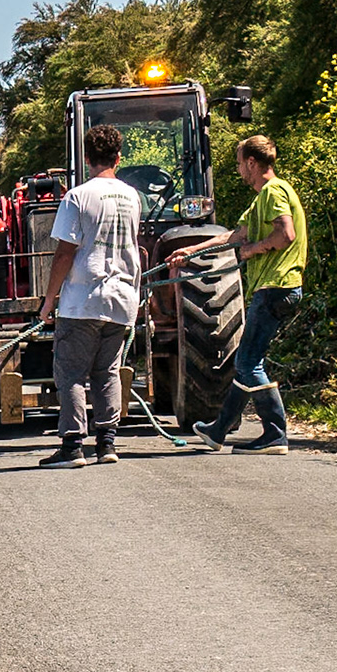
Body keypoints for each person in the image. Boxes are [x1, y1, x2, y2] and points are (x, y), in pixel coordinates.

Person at [165, 134, 306, 454]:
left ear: (253, 163)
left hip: (277, 285)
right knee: (246, 362)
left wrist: (252, 251)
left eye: (241, 162)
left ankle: (274, 433)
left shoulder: (273, 191)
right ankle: (218, 430)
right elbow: (233, 235)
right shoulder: (261, 199)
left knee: (248, 363)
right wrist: (191, 250)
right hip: (276, 287)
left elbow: (285, 233)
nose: (239, 168)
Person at [36, 124, 144, 467]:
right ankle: (107, 444)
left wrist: (49, 300)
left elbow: (65, 252)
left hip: (83, 299)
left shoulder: (78, 196)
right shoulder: (132, 196)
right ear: (118, 157)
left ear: (86, 158)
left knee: (70, 373)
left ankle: (71, 448)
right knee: (108, 370)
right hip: (123, 297)